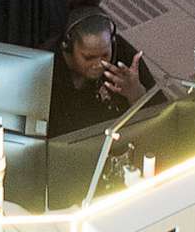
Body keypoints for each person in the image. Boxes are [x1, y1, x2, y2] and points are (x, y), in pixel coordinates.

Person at [49, 8, 153, 138]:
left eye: (105, 54)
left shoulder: (123, 56)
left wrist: (136, 92)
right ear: (68, 47)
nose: (99, 64)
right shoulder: (46, 68)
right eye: (88, 57)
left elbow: (159, 116)